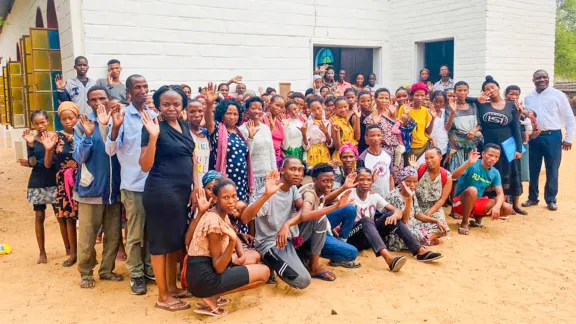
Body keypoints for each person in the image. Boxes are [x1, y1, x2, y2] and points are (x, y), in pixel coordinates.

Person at [140, 85, 197, 311]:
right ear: (158, 105)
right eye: (166, 104)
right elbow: (145, 165)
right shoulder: (153, 127)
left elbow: (191, 157)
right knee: (160, 244)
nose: (171, 108)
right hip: (161, 191)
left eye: (176, 104)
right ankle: (163, 296)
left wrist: (196, 186)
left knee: (174, 241)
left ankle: (172, 287)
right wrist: (154, 137)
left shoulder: (183, 125)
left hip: (182, 192)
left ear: (183, 105)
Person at [187, 179, 270, 317]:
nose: (232, 201)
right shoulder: (213, 223)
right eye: (226, 197)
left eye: (234, 196)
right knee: (264, 273)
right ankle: (210, 295)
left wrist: (241, 254)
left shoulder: (220, 214)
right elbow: (218, 266)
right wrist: (232, 242)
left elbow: (234, 235)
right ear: (215, 199)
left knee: (254, 256)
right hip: (204, 279)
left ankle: (212, 294)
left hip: (204, 269)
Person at [105, 75, 156, 295]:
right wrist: (115, 129)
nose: (143, 90)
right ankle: (135, 274)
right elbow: (110, 150)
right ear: (129, 92)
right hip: (133, 185)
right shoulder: (122, 116)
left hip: (153, 184)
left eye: (145, 86)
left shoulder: (152, 115)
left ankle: (148, 269)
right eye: (138, 87)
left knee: (150, 231)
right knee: (135, 234)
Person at [346, 167, 442, 270]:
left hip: (370, 237)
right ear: (355, 180)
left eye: (369, 180)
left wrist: (395, 215)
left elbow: (397, 211)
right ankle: (389, 259)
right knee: (366, 220)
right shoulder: (348, 193)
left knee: (390, 216)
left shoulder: (374, 196)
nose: (365, 183)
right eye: (361, 180)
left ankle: (419, 250)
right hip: (353, 237)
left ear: (372, 181)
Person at [73, 86, 122, 289]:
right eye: (94, 100)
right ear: (89, 102)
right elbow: (79, 157)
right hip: (91, 189)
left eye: (102, 98)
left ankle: (107, 270)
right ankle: (86, 272)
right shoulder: (82, 125)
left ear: (109, 99)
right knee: (87, 236)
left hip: (114, 190)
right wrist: (87, 137)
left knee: (113, 235)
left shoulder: (117, 122)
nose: (99, 102)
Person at [523, 69, 575, 211]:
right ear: (533, 80)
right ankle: (532, 197)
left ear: (548, 78)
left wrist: (569, 137)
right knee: (533, 168)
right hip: (535, 137)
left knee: (552, 168)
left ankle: (551, 199)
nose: (541, 80)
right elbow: (527, 118)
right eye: (538, 78)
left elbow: (569, 117)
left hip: (553, 136)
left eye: (544, 77)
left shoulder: (558, 95)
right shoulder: (529, 97)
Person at [204, 86, 253, 234]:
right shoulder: (218, 130)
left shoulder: (240, 133)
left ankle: (240, 242)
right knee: (226, 212)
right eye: (229, 114)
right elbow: (208, 121)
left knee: (238, 212)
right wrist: (209, 104)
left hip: (241, 183)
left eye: (235, 114)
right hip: (225, 180)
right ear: (222, 115)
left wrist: (250, 138)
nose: (232, 117)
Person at [475, 76, 524, 213]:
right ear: (483, 92)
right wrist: (479, 99)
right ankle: (490, 204)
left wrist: (519, 149)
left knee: (510, 173)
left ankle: (512, 205)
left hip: (508, 145)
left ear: (498, 88)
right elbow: (466, 99)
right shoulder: (482, 105)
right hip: (489, 145)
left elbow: (516, 128)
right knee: (489, 172)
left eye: (493, 87)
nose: (491, 90)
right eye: (487, 89)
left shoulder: (510, 105)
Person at [299, 164, 359, 273]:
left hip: (320, 225)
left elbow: (324, 200)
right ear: (315, 180)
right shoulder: (309, 193)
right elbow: (305, 214)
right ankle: (309, 253)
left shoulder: (316, 188)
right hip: (309, 233)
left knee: (349, 209)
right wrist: (335, 206)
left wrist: (344, 188)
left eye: (331, 181)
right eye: (325, 181)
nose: (329, 184)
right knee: (352, 253)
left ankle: (339, 244)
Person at [41, 103, 80, 267]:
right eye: (64, 119)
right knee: (69, 218)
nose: (68, 121)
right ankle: (73, 253)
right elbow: (48, 165)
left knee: (87, 218)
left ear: (77, 117)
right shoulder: (55, 137)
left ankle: (88, 252)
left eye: (71, 118)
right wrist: (49, 150)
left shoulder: (84, 133)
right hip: (64, 183)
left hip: (83, 181)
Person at [20, 111, 59, 264]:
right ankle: (42, 252)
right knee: (39, 216)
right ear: (33, 124)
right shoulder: (32, 139)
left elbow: (56, 159)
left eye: (42, 122)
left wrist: (32, 162)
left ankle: (69, 248)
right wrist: (30, 145)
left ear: (48, 121)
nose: (40, 126)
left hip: (55, 180)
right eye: (36, 123)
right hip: (38, 182)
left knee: (61, 215)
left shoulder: (55, 137)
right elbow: (32, 161)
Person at [452, 146, 514, 235]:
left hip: (477, 202)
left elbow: (500, 193)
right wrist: (468, 163)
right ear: (483, 154)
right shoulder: (472, 163)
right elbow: (453, 176)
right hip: (460, 203)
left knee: (507, 208)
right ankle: (464, 222)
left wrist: (497, 206)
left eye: (496, 157)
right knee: (472, 190)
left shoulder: (495, 172)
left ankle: (478, 217)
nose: (493, 159)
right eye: (490, 155)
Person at [239, 97, 277, 202]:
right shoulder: (242, 130)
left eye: (260, 109)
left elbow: (271, 151)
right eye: (253, 108)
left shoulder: (265, 128)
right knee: (255, 207)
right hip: (252, 177)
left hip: (268, 176)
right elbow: (246, 155)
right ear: (247, 110)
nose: (257, 111)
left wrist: (274, 170)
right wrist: (251, 138)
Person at [412, 148, 452, 244]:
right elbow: (409, 186)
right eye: (426, 158)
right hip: (416, 207)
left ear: (440, 157)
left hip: (434, 209)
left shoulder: (446, 176)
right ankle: (427, 240)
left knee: (441, 225)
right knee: (412, 225)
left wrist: (429, 213)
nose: (429, 161)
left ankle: (426, 239)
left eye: (432, 157)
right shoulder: (419, 169)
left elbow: (442, 200)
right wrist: (412, 169)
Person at [445, 81, 482, 173]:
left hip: (472, 143)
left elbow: (480, 124)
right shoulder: (449, 107)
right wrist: (453, 112)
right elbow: (447, 128)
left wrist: (474, 131)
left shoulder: (473, 106)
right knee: (457, 171)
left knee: (472, 170)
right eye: (459, 90)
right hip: (457, 145)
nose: (462, 93)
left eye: (465, 90)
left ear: (468, 92)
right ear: (455, 91)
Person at [398, 82, 436, 161]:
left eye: (422, 95)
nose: (420, 98)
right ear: (411, 96)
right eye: (417, 95)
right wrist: (406, 114)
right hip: (410, 147)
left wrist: (433, 119)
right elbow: (400, 128)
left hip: (423, 146)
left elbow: (428, 132)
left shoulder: (425, 111)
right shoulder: (404, 108)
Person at [364, 88, 401, 165]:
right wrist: (375, 123)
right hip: (382, 152)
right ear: (375, 99)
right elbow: (369, 139)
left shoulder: (391, 112)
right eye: (381, 98)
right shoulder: (371, 117)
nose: (384, 100)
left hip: (396, 151)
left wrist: (394, 117)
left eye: (386, 98)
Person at [358, 125, 394, 198]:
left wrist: (392, 193)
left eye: (378, 135)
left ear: (382, 137)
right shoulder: (362, 158)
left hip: (387, 196)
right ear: (366, 138)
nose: (376, 138)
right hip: (372, 197)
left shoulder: (388, 154)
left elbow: (391, 176)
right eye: (372, 136)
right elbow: (361, 181)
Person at [305, 96, 332, 168]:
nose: (317, 112)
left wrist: (326, 133)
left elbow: (330, 144)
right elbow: (306, 146)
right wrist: (303, 134)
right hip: (312, 152)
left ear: (323, 106)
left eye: (318, 108)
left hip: (324, 151)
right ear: (310, 110)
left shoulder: (327, 122)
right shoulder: (308, 124)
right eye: (313, 110)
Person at [188, 99, 211, 182]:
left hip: (204, 182)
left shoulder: (206, 133)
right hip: (189, 182)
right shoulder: (184, 132)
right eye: (192, 111)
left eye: (200, 111)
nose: (197, 115)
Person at [263, 95, 286, 167]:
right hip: (266, 158)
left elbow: (279, 145)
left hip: (278, 159)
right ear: (270, 104)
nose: (279, 108)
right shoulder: (263, 119)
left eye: (281, 107)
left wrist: (285, 158)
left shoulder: (279, 122)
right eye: (277, 105)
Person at [429, 91, 449, 157]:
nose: (438, 104)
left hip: (444, 145)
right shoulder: (427, 112)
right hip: (431, 144)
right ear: (432, 101)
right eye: (436, 101)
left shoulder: (445, 112)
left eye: (441, 102)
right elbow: (424, 131)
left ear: (444, 102)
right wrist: (431, 138)